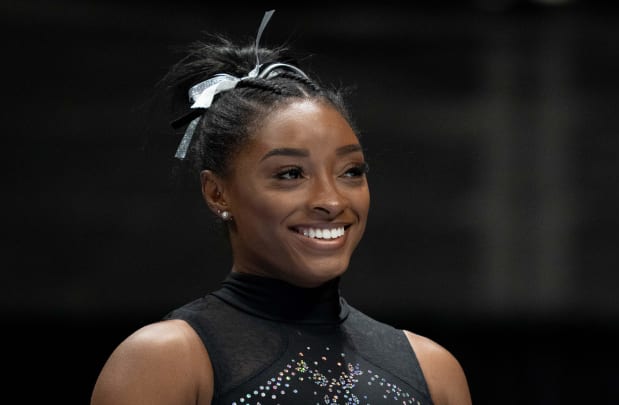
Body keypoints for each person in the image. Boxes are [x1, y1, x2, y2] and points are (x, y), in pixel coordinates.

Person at [90, 10, 472, 405]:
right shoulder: (166, 361)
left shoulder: (431, 371)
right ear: (218, 193)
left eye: (351, 171)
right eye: (290, 174)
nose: (331, 200)